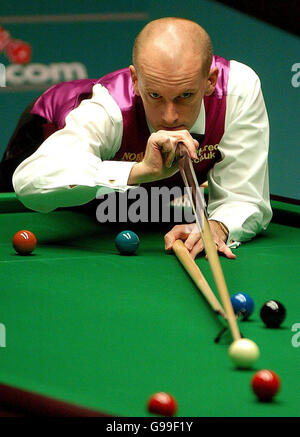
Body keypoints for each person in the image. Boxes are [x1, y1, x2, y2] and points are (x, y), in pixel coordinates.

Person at [0, 17, 272, 259]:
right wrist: (140, 170)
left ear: (210, 81)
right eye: (155, 95)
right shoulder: (107, 109)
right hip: (45, 129)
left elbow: (245, 196)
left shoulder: (237, 93)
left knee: (131, 208)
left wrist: (218, 226)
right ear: (134, 80)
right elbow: (29, 184)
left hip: (132, 192)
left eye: (185, 96)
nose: (169, 117)